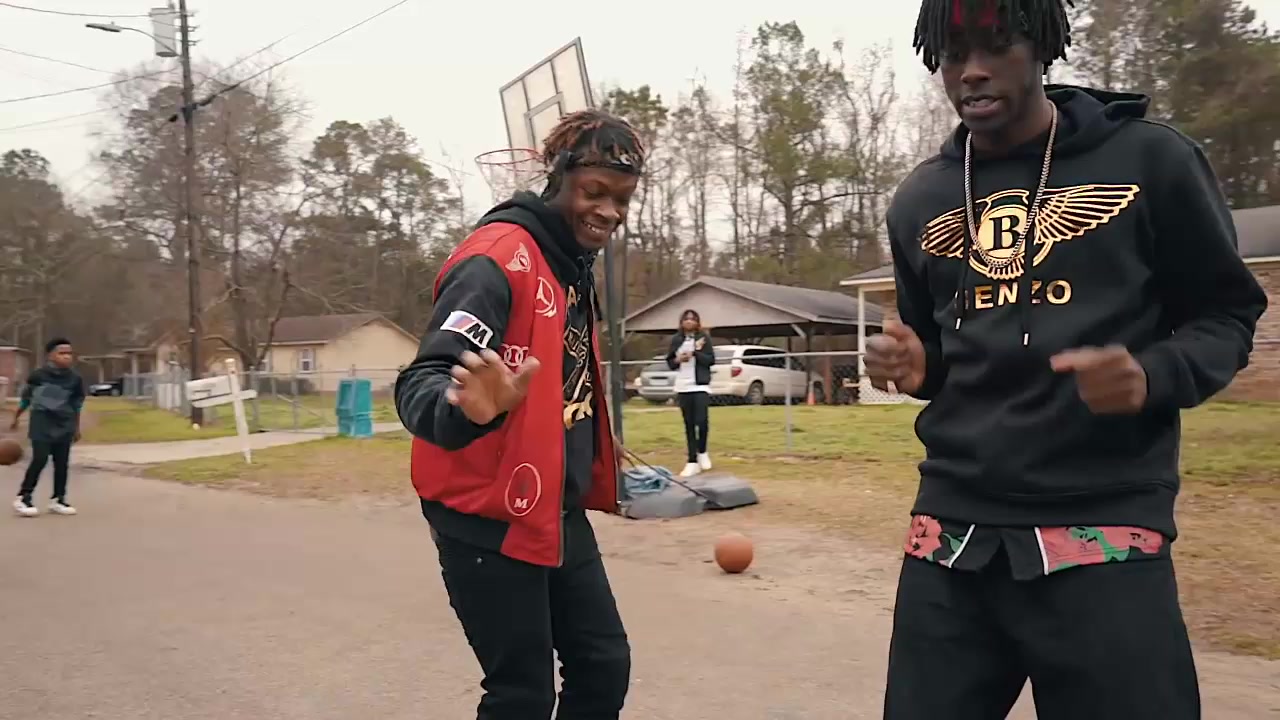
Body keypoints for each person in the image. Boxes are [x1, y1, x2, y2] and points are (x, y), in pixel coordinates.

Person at [868, 1, 1267, 717]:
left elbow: (1226, 315)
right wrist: (916, 368)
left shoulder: (1149, 162)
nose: (972, 70)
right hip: (952, 535)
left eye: (997, 45)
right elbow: (937, 350)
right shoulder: (921, 198)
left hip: (1104, 529)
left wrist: (1152, 375)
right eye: (953, 53)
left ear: (1042, 47)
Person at [394, 109, 644, 720]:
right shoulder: (496, 261)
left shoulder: (570, 265)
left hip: (552, 508)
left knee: (602, 665)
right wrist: (465, 408)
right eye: (594, 191)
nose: (609, 211)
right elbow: (421, 382)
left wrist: (590, 442)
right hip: (483, 515)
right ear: (557, 177)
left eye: (621, 199)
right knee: (522, 694)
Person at [11, 337, 85, 518]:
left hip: (64, 422)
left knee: (62, 463)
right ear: (50, 356)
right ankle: (23, 497)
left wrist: (76, 428)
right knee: (40, 459)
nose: (67, 357)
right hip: (42, 421)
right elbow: (26, 399)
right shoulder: (38, 376)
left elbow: (77, 405)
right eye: (62, 353)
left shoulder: (75, 379)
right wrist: (16, 417)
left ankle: (58, 499)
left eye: (69, 353)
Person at [665, 309, 715, 477]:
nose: (689, 321)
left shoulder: (703, 338)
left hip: (700, 385)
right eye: (686, 319)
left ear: (697, 322)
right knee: (689, 423)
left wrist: (695, 354)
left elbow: (710, 360)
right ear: (681, 322)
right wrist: (678, 359)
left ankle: (702, 451)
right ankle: (692, 461)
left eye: (692, 319)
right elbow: (670, 363)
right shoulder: (676, 339)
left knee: (702, 421)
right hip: (683, 386)